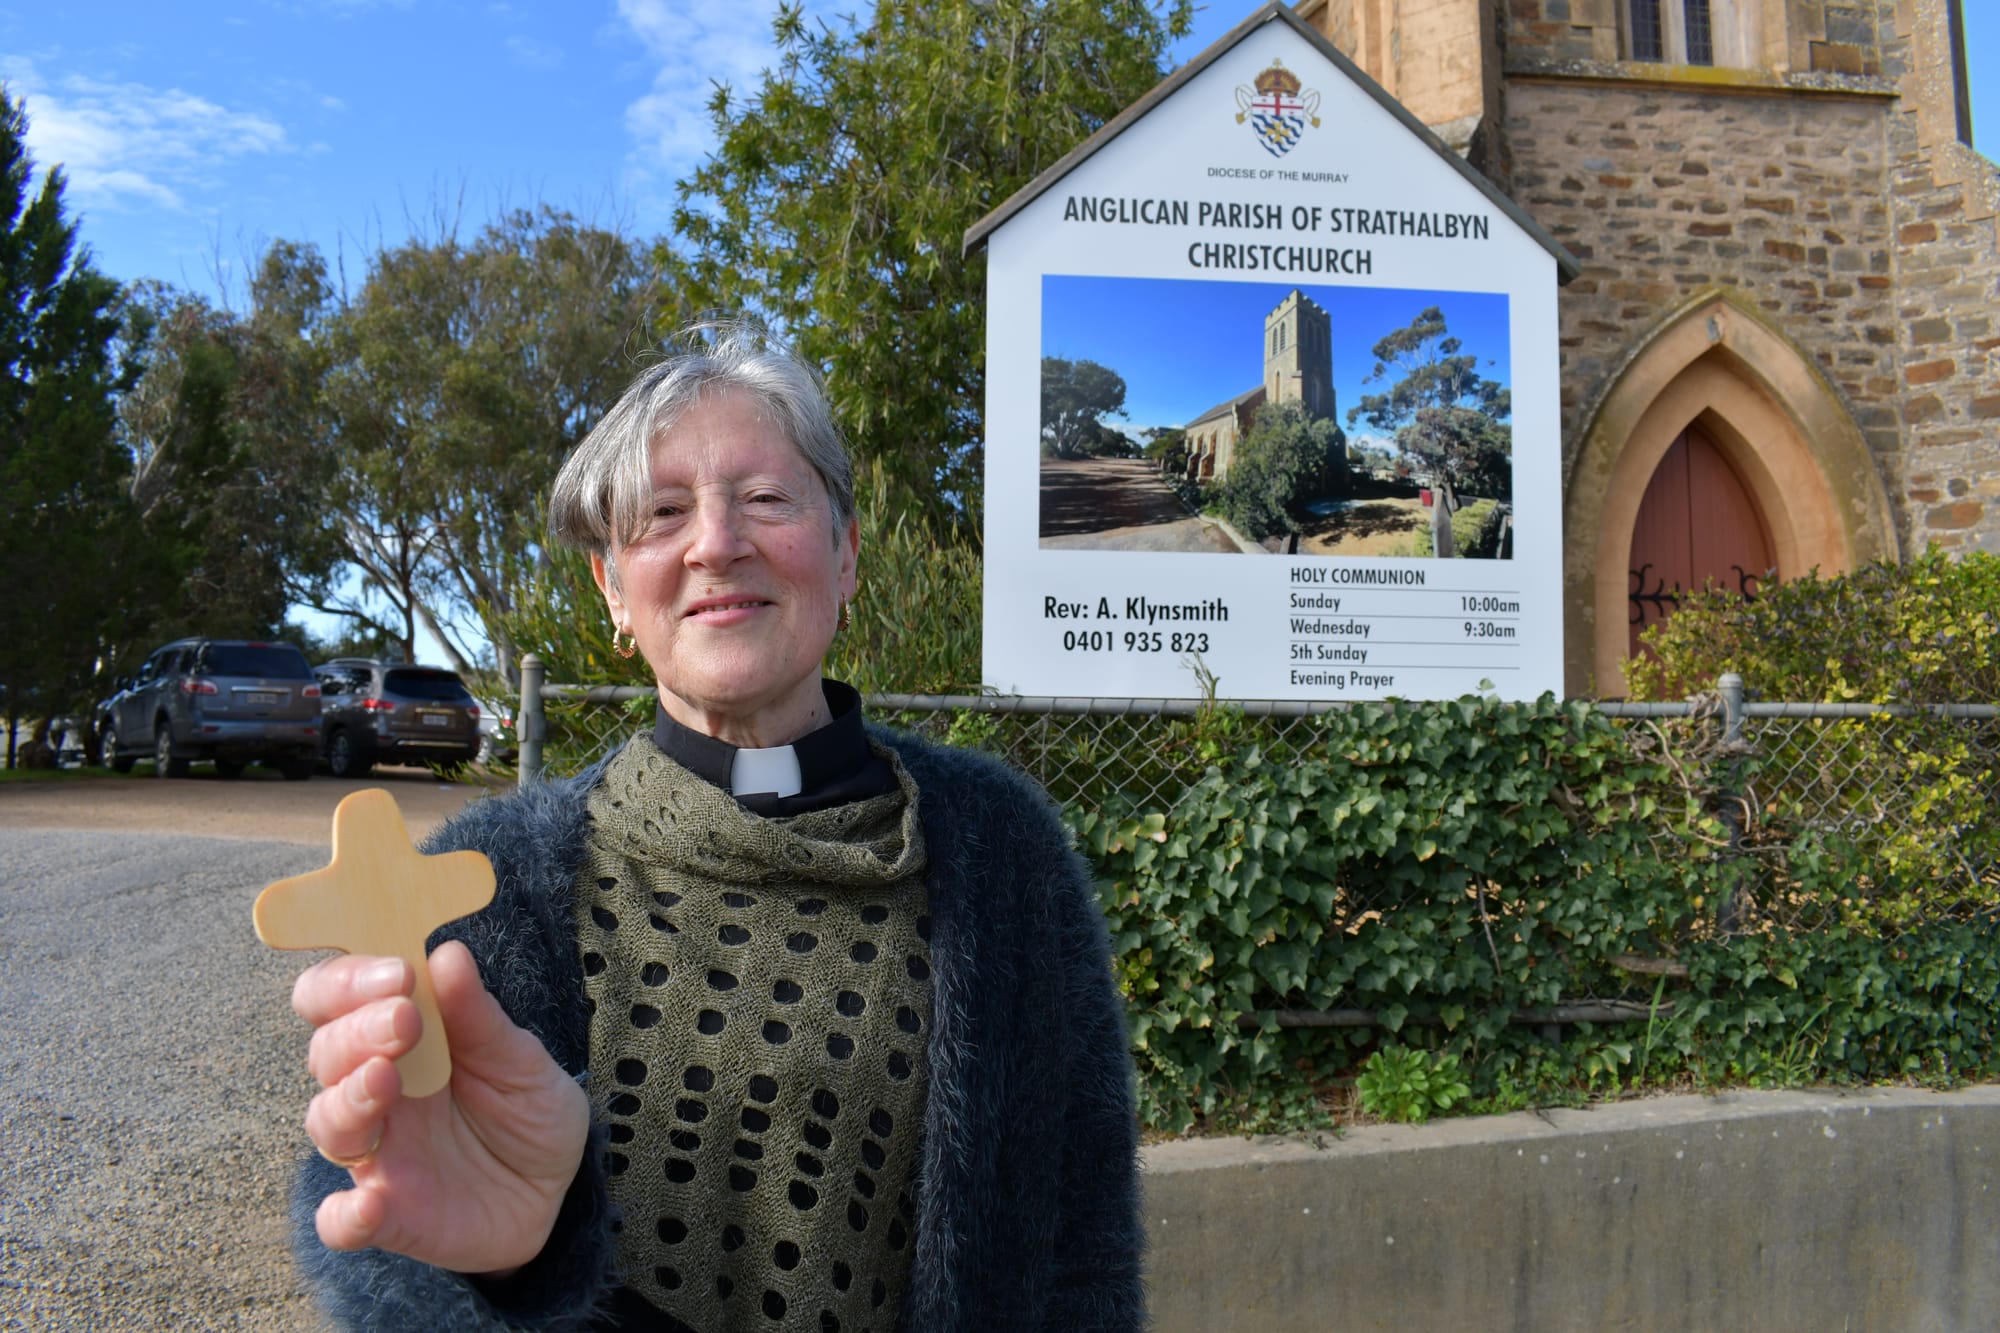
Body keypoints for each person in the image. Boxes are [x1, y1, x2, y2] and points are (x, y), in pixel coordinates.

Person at [284, 323, 1143, 1331]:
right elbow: (371, 1225)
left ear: (845, 554)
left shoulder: (1003, 849)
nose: (715, 543)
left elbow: (1083, 1239)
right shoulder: (481, 886)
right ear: (613, 589)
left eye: (767, 498)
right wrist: (509, 1269)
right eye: (662, 513)